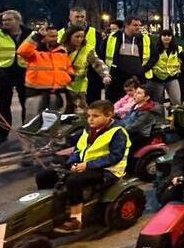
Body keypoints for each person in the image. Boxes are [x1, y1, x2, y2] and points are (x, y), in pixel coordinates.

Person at [35, 100, 130, 233]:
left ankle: (75, 220)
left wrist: (87, 165)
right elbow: (78, 150)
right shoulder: (88, 130)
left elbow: (115, 157)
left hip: (107, 171)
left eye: (95, 116)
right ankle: (52, 207)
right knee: (45, 174)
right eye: (89, 116)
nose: (90, 119)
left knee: (74, 181)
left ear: (108, 115)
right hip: (86, 165)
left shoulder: (118, 133)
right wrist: (72, 163)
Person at [0, 9, 29, 146]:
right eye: (3, 20)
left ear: (18, 20)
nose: (5, 23)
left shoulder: (29, 34)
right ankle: (2, 134)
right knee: (4, 106)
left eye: (9, 20)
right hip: (3, 73)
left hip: (24, 72)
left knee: (26, 105)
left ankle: (27, 132)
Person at [16, 25, 75, 124]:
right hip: (36, 94)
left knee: (54, 125)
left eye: (56, 36)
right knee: (33, 124)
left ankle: (53, 139)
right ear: (44, 36)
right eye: (52, 36)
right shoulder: (35, 50)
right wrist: (37, 36)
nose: (55, 39)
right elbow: (22, 52)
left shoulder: (61, 51)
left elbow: (67, 67)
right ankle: (31, 140)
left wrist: (70, 77)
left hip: (58, 93)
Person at [63, 24, 111, 112]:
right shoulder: (61, 48)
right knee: (61, 112)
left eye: (82, 36)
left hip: (78, 88)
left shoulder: (87, 49)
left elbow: (98, 63)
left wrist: (105, 75)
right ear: (69, 36)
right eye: (77, 36)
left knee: (81, 114)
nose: (80, 39)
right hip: (62, 86)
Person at [105, 17, 153, 102]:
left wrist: (143, 69)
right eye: (135, 25)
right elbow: (102, 54)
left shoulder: (144, 38)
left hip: (137, 77)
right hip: (117, 77)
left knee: (136, 103)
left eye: (139, 25)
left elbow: (154, 56)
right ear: (126, 25)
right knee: (115, 102)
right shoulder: (113, 37)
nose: (138, 27)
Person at [119, 85, 162, 152]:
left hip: (140, 135)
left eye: (139, 93)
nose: (135, 95)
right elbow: (126, 119)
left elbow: (135, 127)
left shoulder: (146, 112)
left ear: (146, 97)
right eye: (136, 92)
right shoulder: (135, 105)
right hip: (129, 131)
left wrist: (120, 130)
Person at [149, 29, 184, 107]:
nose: (166, 37)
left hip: (172, 77)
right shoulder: (154, 49)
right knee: (157, 103)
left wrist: (181, 69)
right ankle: (159, 119)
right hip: (157, 78)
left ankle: (176, 118)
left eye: (169, 35)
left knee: (177, 101)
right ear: (160, 37)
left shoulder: (178, 49)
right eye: (164, 35)